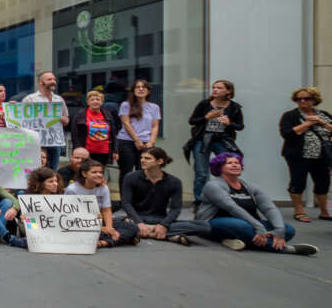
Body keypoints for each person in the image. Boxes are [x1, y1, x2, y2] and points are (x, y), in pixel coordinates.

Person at [197, 152, 317, 255]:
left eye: (237, 163)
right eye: (229, 163)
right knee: (243, 227)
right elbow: (232, 208)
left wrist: (279, 229)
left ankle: (234, 240)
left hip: (249, 224)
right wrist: (259, 227)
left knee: (288, 230)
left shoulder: (250, 187)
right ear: (219, 167)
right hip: (213, 223)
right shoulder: (213, 185)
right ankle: (285, 249)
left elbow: (269, 208)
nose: (235, 165)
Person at [120, 148, 210, 245]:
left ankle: (147, 231)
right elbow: (126, 203)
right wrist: (139, 223)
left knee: (205, 226)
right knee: (115, 222)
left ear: (160, 161)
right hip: (137, 218)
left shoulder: (174, 182)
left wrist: (163, 225)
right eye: (142, 157)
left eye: (147, 158)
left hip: (160, 219)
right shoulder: (131, 177)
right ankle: (162, 234)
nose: (142, 160)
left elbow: (175, 208)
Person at [185, 80, 244, 208]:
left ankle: (226, 198)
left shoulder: (234, 107)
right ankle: (200, 201)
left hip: (222, 140)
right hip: (203, 140)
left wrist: (230, 123)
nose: (215, 90)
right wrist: (207, 117)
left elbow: (240, 126)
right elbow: (192, 121)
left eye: (219, 88)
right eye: (214, 87)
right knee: (201, 172)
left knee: (227, 169)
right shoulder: (204, 104)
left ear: (228, 91)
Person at [278, 87, 332, 222]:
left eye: (306, 98)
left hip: (322, 156)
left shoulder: (323, 114)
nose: (302, 101)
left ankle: (324, 211)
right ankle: (299, 211)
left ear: (314, 100)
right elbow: (286, 133)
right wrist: (307, 124)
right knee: (298, 182)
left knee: (323, 183)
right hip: (298, 155)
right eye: (298, 99)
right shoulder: (290, 115)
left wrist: (321, 121)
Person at [64, 159, 137, 248]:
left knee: (133, 227)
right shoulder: (72, 189)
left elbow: (107, 210)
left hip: (100, 221)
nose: (99, 175)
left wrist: (109, 228)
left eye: (101, 172)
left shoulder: (103, 187)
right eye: (94, 172)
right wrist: (100, 228)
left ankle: (104, 242)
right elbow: (70, 214)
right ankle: (121, 239)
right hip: (80, 224)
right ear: (84, 174)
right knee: (81, 233)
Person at [115, 80, 161, 188]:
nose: (141, 89)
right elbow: (126, 123)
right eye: (138, 87)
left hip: (146, 143)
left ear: (148, 91)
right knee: (126, 172)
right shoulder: (126, 105)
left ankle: (140, 197)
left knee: (144, 172)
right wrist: (136, 140)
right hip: (127, 141)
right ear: (133, 90)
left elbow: (155, 126)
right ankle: (125, 197)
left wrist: (151, 142)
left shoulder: (154, 107)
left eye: (144, 87)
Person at [22, 71, 68, 171]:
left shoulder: (59, 100)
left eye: (54, 79)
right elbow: (21, 119)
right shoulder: (30, 99)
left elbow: (66, 120)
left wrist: (61, 118)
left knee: (53, 169)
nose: (53, 81)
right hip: (36, 141)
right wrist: (13, 107)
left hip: (54, 141)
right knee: (35, 169)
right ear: (40, 82)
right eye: (49, 79)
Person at [71, 89, 118, 166]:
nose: (95, 101)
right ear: (88, 102)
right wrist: (77, 149)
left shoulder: (108, 115)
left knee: (99, 171)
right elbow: (74, 134)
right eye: (92, 99)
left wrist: (115, 151)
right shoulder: (80, 115)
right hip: (86, 151)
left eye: (98, 99)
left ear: (102, 102)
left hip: (104, 151)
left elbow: (113, 134)